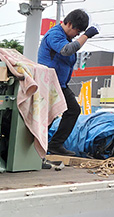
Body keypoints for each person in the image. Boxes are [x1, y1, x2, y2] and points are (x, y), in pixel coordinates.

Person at [37, 9, 99, 156]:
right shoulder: (55, 34)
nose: (77, 35)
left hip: (59, 84)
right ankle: (40, 148)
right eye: (77, 31)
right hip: (48, 84)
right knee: (50, 117)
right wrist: (86, 36)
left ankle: (53, 145)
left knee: (71, 111)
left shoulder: (66, 38)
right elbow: (66, 50)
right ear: (69, 24)